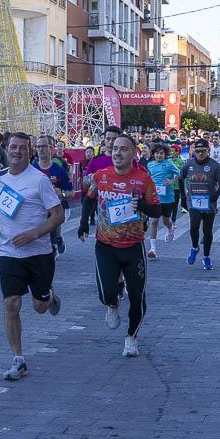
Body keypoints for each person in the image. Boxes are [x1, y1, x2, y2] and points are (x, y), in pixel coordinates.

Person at [0, 133, 65, 381]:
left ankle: (49, 296)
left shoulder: (39, 181)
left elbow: (57, 215)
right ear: (6, 149)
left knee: (40, 307)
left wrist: (34, 234)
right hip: (9, 252)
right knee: (11, 303)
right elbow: (0, 210)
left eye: (22, 148)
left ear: (29, 151)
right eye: (13, 147)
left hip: (39, 253)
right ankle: (18, 359)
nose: (17, 151)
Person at [77, 134, 162, 356]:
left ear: (134, 154)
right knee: (106, 293)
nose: (117, 153)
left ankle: (132, 336)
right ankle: (112, 303)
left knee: (137, 295)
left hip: (133, 246)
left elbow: (157, 210)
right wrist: (83, 223)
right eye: (114, 148)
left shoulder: (143, 179)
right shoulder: (101, 177)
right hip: (105, 244)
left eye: (123, 149)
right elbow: (89, 198)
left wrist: (141, 205)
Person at [178, 140, 220, 270]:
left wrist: (216, 194)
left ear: (207, 151)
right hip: (193, 201)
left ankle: (206, 257)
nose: (199, 154)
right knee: (194, 226)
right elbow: (180, 179)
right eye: (197, 151)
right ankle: (194, 247)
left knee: (207, 231)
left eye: (202, 151)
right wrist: (182, 196)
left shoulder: (215, 166)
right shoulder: (189, 164)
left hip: (209, 202)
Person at [32, 135, 73, 255]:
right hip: (37, 209)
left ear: (51, 148)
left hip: (54, 209)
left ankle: (56, 241)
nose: (41, 149)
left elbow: (71, 193)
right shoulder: (32, 169)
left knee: (53, 230)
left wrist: (62, 194)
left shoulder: (59, 170)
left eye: (44, 146)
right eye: (38, 147)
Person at [144, 144, 179, 255]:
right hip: (154, 197)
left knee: (165, 221)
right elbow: (147, 177)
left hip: (167, 198)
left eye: (162, 153)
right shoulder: (150, 164)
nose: (159, 155)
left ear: (165, 155)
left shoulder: (169, 164)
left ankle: (170, 228)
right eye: (157, 153)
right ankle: (153, 249)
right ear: (153, 154)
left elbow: (179, 173)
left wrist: (172, 181)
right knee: (154, 221)